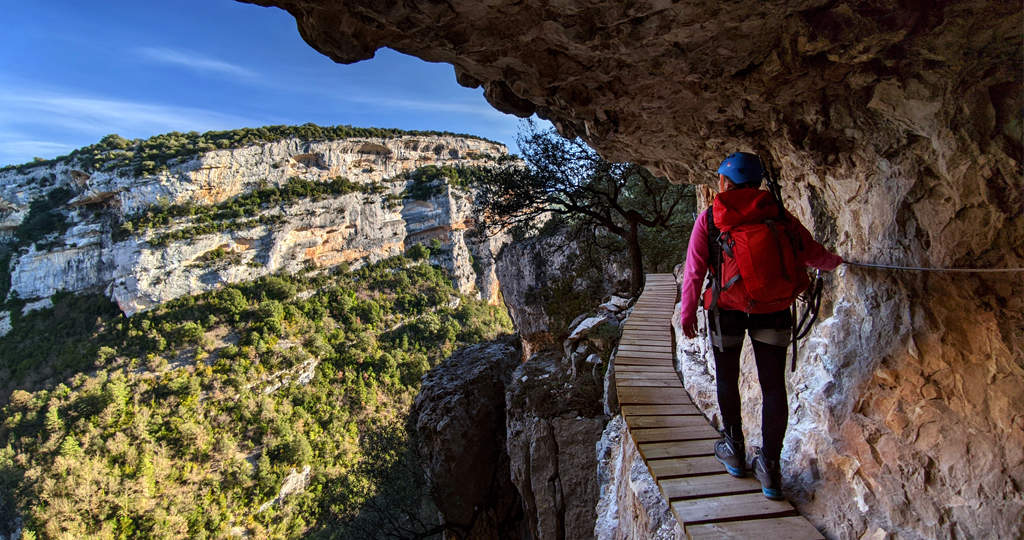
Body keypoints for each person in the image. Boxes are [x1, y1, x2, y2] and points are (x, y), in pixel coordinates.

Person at [679, 152, 843, 500]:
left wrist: (688, 313)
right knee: (772, 387)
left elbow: (694, 270)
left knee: (726, 378)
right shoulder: (778, 214)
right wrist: (840, 262)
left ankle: (734, 450)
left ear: (724, 182)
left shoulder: (710, 220)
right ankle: (770, 466)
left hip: (726, 309)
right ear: (758, 182)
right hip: (773, 308)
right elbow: (811, 252)